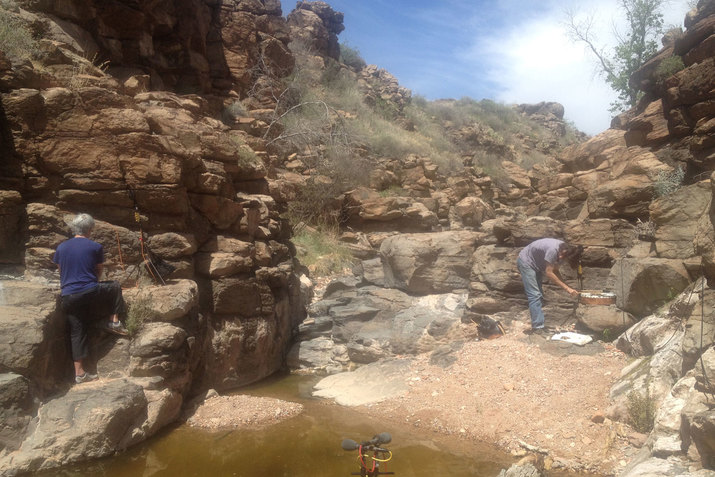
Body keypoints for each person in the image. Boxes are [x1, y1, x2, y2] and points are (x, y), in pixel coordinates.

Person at [53, 213, 128, 384]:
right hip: (88, 291)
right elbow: (98, 270)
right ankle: (114, 321)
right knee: (115, 286)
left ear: (74, 229)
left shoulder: (61, 248)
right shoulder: (94, 246)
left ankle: (79, 374)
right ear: (90, 229)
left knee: (77, 331)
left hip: (68, 295)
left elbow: (60, 269)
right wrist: (92, 283)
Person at [516, 238, 583, 334]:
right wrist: (567, 288)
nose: (560, 257)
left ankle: (539, 325)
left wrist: (567, 287)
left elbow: (555, 270)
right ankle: (537, 328)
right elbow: (549, 272)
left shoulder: (565, 252)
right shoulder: (553, 250)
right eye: (561, 254)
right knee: (535, 295)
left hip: (537, 265)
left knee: (538, 295)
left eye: (563, 257)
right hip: (526, 262)